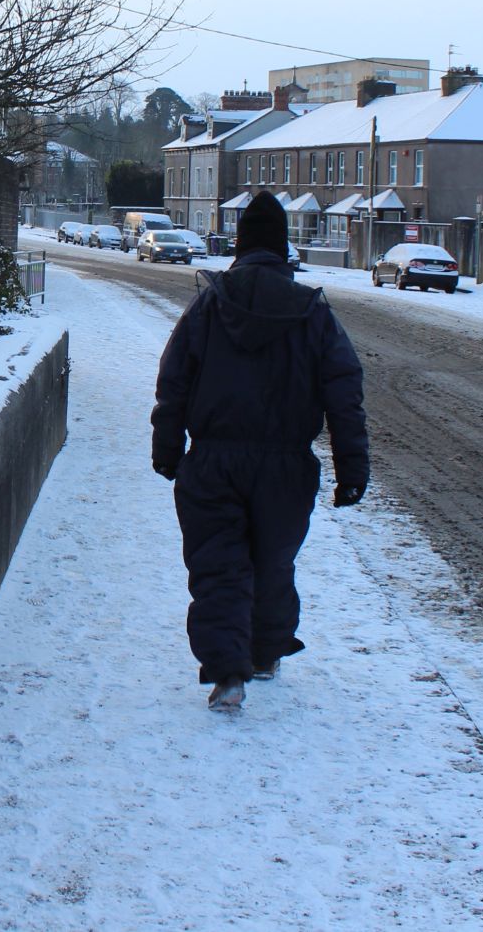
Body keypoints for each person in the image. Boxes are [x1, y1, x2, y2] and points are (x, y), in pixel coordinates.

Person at [150, 190, 370, 711]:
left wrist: (167, 446)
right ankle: (266, 651)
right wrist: (351, 468)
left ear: (240, 245)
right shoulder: (314, 315)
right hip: (286, 466)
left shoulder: (209, 307)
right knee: (273, 562)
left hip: (213, 461)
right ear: (283, 248)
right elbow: (345, 393)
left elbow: (174, 381)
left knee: (218, 566)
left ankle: (228, 673)